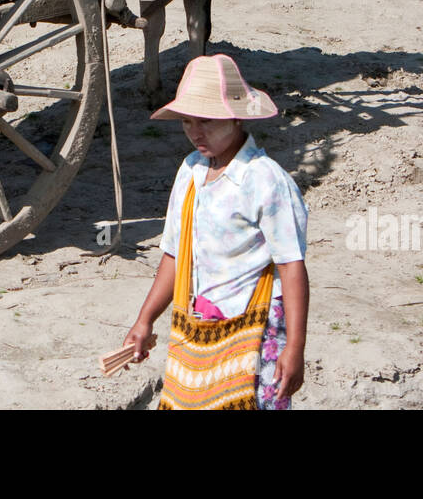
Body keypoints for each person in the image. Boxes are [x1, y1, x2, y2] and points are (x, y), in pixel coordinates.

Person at [123, 53, 310, 409]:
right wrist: (144, 321)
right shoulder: (190, 172)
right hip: (195, 330)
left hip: (253, 333)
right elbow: (175, 254)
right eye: (188, 122)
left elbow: (291, 265)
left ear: (236, 117)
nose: (196, 132)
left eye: (207, 121)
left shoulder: (266, 179)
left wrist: (295, 347)